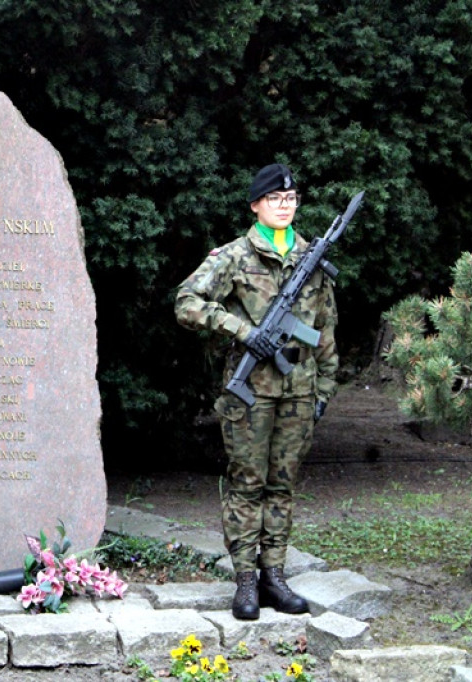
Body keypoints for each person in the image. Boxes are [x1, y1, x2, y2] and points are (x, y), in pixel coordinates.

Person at [174, 163, 338, 620]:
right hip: (250, 394)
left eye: (291, 200)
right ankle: (246, 581)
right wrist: (241, 330)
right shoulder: (233, 256)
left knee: (282, 488)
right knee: (248, 485)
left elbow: (325, 332)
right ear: (255, 205)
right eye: (274, 200)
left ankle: (275, 577)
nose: (284, 207)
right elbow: (187, 302)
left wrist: (324, 389)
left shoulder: (312, 259)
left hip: (299, 391)